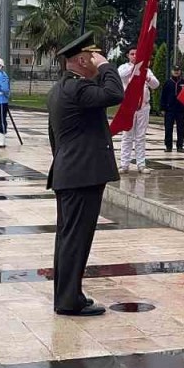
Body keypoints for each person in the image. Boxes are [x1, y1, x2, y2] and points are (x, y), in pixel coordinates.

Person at [46, 32, 124, 317]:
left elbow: (54, 137)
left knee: (69, 238)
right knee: (76, 239)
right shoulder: (77, 89)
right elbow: (115, 94)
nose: (96, 61)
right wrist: (106, 67)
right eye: (93, 56)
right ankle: (69, 301)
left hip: (70, 172)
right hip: (81, 175)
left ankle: (68, 295)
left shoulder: (60, 89)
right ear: (81, 60)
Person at [117, 47, 159, 173]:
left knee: (140, 137)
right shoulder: (124, 67)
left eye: (137, 54)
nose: (134, 56)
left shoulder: (146, 70)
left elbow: (156, 84)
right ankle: (124, 164)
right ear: (128, 56)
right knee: (127, 136)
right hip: (129, 106)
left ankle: (141, 164)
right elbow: (121, 75)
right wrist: (136, 67)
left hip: (143, 106)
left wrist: (146, 75)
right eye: (132, 54)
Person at [160, 67, 184, 153]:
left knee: (181, 129)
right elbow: (163, 96)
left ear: (180, 71)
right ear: (172, 71)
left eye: (178, 70)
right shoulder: (168, 83)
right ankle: (168, 146)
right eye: (174, 70)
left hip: (181, 109)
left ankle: (180, 146)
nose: (176, 72)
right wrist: (162, 108)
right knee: (168, 128)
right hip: (169, 110)